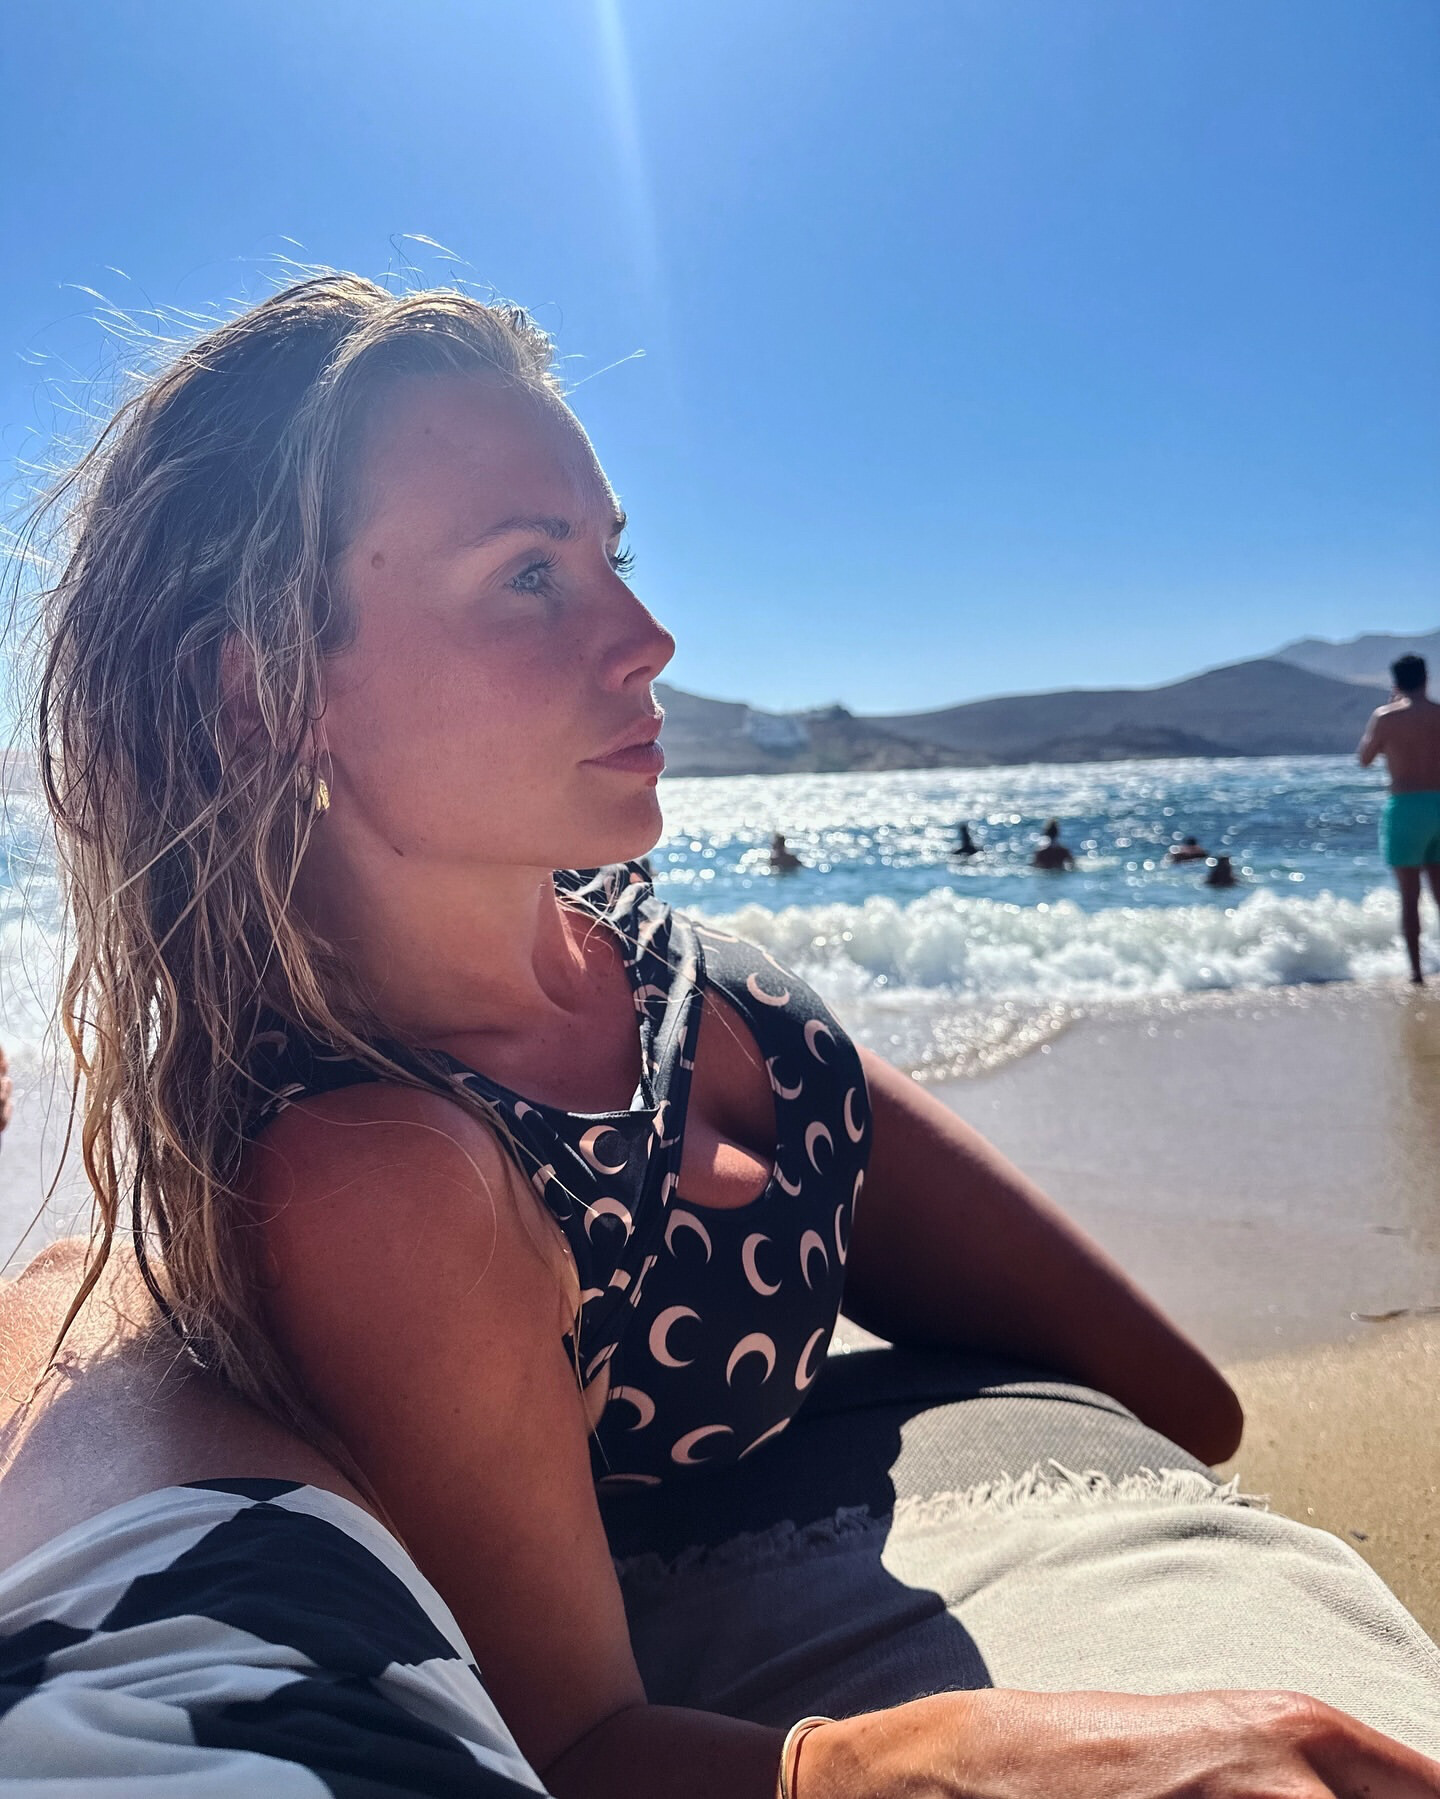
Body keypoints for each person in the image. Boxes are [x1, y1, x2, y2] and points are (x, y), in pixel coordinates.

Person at [21, 273, 1440, 1797]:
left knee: (1197, 1403)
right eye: (528, 574)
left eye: (612, 556)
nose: (648, 636)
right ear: (267, 694)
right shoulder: (382, 1168)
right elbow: (576, 1745)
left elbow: (1185, 1403)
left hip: (812, 1224)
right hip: (769, 1639)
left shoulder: (692, 982)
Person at [1359, 654, 1440, 986]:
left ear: (1395, 682)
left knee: (1410, 897)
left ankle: (1417, 973)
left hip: (1406, 806)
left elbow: (1364, 758)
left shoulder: (1386, 717)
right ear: (1426, 678)